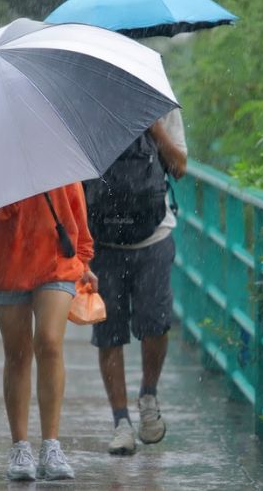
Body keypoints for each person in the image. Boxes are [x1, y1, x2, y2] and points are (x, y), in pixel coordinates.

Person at [0, 182, 98, 481]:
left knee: (49, 342)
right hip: (5, 262)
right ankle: (20, 447)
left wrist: (84, 261)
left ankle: (51, 446)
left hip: (56, 260)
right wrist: (10, 198)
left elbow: (75, 209)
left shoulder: (54, 154)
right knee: (17, 354)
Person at [88, 108, 187, 455]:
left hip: (154, 235)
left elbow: (180, 168)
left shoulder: (161, 103)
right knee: (108, 332)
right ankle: (120, 422)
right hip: (104, 240)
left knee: (156, 323)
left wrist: (154, 127)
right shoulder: (88, 108)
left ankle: (148, 396)